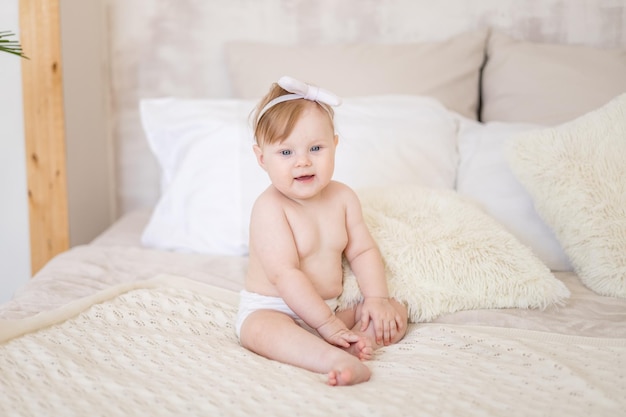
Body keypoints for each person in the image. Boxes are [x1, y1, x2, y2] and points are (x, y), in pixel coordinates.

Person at [236, 76, 408, 386]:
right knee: (258, 331)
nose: (302, 161)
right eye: (286, 153)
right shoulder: (270, 209)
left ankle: (356, 341)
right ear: (262, 159)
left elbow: (362, 250)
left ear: (335, 146)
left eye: (315, 148)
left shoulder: (343, 198)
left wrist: (377, 299)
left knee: (395, 312)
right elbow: (284, 275)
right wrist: (327, 325)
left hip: (331, 311)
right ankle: (333, 357)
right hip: (276, 309)